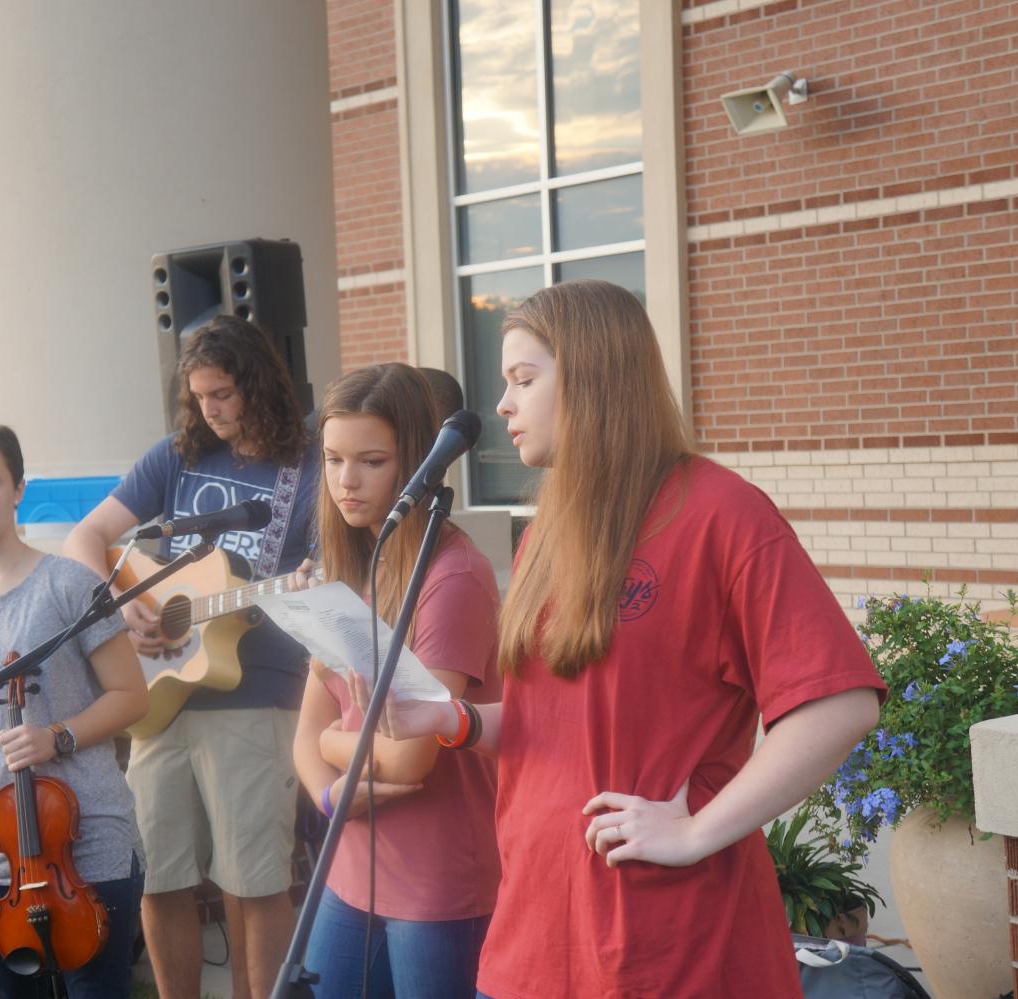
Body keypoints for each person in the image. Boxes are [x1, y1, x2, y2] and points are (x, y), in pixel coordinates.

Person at [370, 280, 886, 998]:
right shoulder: (547, 534)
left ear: (592, 378)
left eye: (523, 379)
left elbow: (842, 701)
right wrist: (448, 718)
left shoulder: (721, 513)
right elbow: (557, 726)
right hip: (531, 942)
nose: (504, 405)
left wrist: (698, 828)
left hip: (667, 951)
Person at [64, 315, 319, 999]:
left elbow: (330, 573)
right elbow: (86, 537)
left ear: (260, 385)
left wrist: (309, 584)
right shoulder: (175, 455)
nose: (212, 409)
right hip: (161, 696)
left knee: (255, 879)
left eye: (226, 394)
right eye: (201, 395)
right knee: (160, 872)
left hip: (257, 693)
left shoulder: (310, 461)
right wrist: (122, 608)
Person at [0, 417, 148, 999]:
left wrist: (57, 736)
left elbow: (132, 696)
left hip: (88, 846)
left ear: (18, 489)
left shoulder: (68, 585)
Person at [290, 363, 501, 997]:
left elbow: (411, 761)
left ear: (415, 463)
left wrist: (335, 753)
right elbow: (303, 729)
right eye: (331, 460)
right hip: (351, 865)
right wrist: (331, 796)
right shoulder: (352, 563)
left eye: (371, 461)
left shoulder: (454, 576)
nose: (345, 482)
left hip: (436, 883)